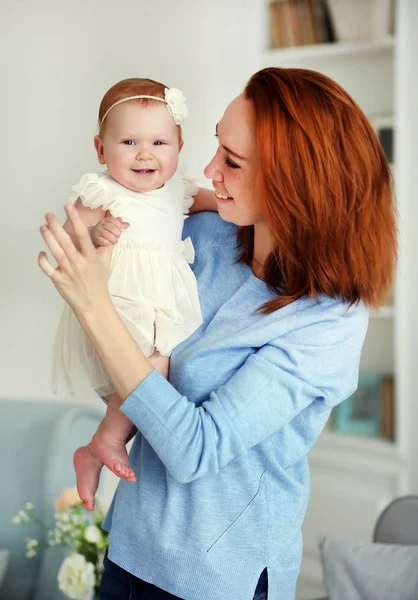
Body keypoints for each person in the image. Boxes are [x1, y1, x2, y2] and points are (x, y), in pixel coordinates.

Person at [38, 67, 397, 600]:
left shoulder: (329, 322)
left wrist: (94, 307)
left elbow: (196, 450)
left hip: (218, 577)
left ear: (293, 183)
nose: (207, 170)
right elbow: (126, 341)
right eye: (215, 150)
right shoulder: (203, 235)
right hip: (131, 545)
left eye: (231, 161)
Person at [52, 78, 208, 511]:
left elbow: (217, 202)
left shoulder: (178, 190)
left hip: (161, 303)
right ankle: (106, 439)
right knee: (151, 369)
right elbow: (67, 238)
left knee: (156, 377)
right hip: (119, 301)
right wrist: (92, 231)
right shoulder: (103, 192)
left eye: (159, 141)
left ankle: (92, 452)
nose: (145, 153)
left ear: (178, 145)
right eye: (129, 141)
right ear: (101, 150)